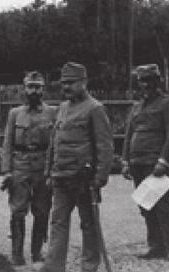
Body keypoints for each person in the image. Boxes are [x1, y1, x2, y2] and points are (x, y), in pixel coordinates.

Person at [40, 62, 113, 272]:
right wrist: (49, 171)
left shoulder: (95, 109)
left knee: (89, 225)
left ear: (84, 82)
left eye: (71, 83)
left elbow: (104, 146)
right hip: (61, 177)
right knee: (58, 222)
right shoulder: (62, 109)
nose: (66, 87)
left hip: (84, 179)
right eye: (64, 83)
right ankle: (54, 266)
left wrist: (100, 177)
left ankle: (89, 266)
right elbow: (54, 143)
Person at [122, 64, 169, 261]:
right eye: (142, 81)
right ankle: (156, 246)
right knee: (146, 206)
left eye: (149, 80)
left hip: (155, 163)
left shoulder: (168, 104)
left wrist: (164, 160)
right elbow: (129, 134)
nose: (145, 85)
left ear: (158, 81)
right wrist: (125, 161)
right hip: (137, 161)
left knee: (163, 207)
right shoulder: (136, 107)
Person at [0, 71, 57, 265]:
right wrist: (7, 171)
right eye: (30, 86)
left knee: (42, 211)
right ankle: (17, 254)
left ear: (43, 89)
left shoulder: (52, 113)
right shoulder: (15, 114)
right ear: (24, 89)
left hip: (43, 165)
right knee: (17, 211)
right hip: (20, 165)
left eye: (37, 87)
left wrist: (53, 170)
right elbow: (7, 143)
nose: (34, 91)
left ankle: (37, 252)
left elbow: (56, 143)